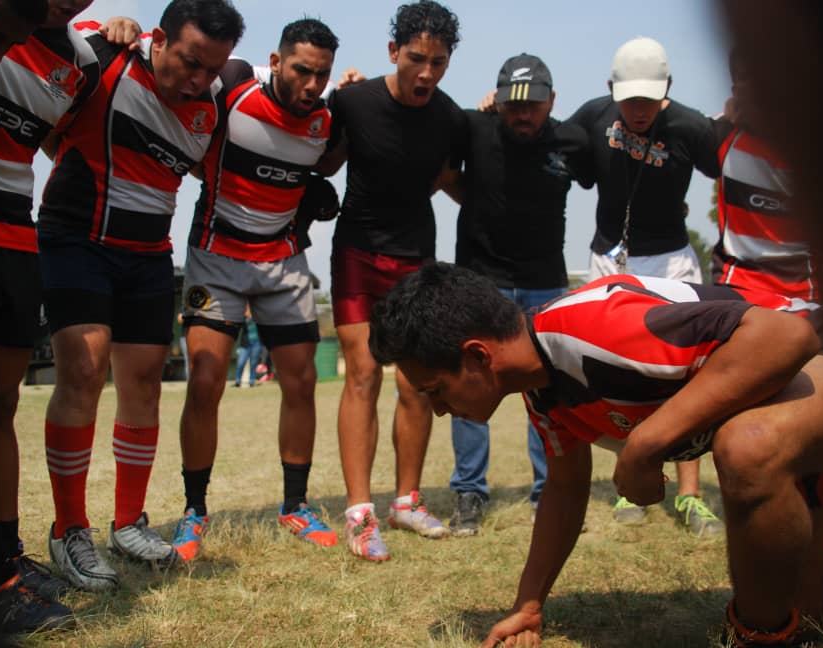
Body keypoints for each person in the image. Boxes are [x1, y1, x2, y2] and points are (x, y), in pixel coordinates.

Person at [369, 261, 823, 648]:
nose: (439, 410)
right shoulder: (542, 390)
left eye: (435, 390)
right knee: (805, 610)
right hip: (793, 417)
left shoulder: (590, 329)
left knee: (747, 446)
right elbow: (565, 489)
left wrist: (644, 448)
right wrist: (529, 604)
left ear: (477, 356)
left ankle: (754, 635)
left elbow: (788, 337)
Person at [35, 0, 244, 592]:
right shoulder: (105, 53)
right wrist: (106, 27)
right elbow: (46, 106)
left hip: (150, 255)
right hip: (76, 239)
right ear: (159, 38)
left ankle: (128, 523)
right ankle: (69, 530)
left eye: (212, 69)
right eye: (190, 62)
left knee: (146, 384)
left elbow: (260, 84)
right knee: (84, 371)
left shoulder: (211, 106)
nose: (199, 79)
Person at [0, 0, 133, 634]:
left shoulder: (82, 61)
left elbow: (55, 137)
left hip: (17, 243)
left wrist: (125, 32)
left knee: (1, 404)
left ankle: (8, 555)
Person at [171, 18, 347, 560]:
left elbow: (330, 163)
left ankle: (295, 505)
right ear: (275, 62)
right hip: (216, 257)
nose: (311, 85)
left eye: (322, 75)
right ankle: (194, 511)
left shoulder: (327, 120)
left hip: (283, 263)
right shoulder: (231, 90)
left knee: (301, 382)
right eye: (301, 70)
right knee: (205, 380)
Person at [317, 0, 467, 561]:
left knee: (417, 382)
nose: (426, 72)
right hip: (357, 252)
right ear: (392, 52)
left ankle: (407, 501)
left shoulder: (451, 119)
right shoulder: (353, 102)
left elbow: (452, 182)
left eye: (438, 62)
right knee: (362, 374)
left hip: (416, 258)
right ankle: (360, 513)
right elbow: (323, 163)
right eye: (416, 59)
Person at [712, 48, 823, 553]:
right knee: (750, 430)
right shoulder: (723, 136)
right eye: (742, 81)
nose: (750, 90)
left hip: (813, 310)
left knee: (817, 422)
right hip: (745, 307)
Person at [565, 36, 724, 533]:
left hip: (672, 261)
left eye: (649, 100)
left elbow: (732, 165)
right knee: (614, 374)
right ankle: (628, 484)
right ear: (611, 88)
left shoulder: (691, 126)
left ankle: (691, 496)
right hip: (610, 259)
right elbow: (550, 145)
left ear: (668, 89)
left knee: (691, 376)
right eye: (629, 99)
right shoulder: (593, 116)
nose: (638, 110)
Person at [439, 53, 591, 535]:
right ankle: (468, 492)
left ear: (552, 101)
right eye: (513, 105)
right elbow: (445, 172)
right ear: (498, 100)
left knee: (549, 392)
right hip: (481, 279)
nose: (522, 114)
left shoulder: (573, 140)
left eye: (533, 105)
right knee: (468, 384)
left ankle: (551, 491)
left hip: (546, 282)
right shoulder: (474, 128)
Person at [232, 315, 264, 388]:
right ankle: (237, 381)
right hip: (245, 343)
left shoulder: (258, 315)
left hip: (257, 342)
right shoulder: (243, 317)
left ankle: (252, 381)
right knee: (241, 363)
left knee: (253, 363)